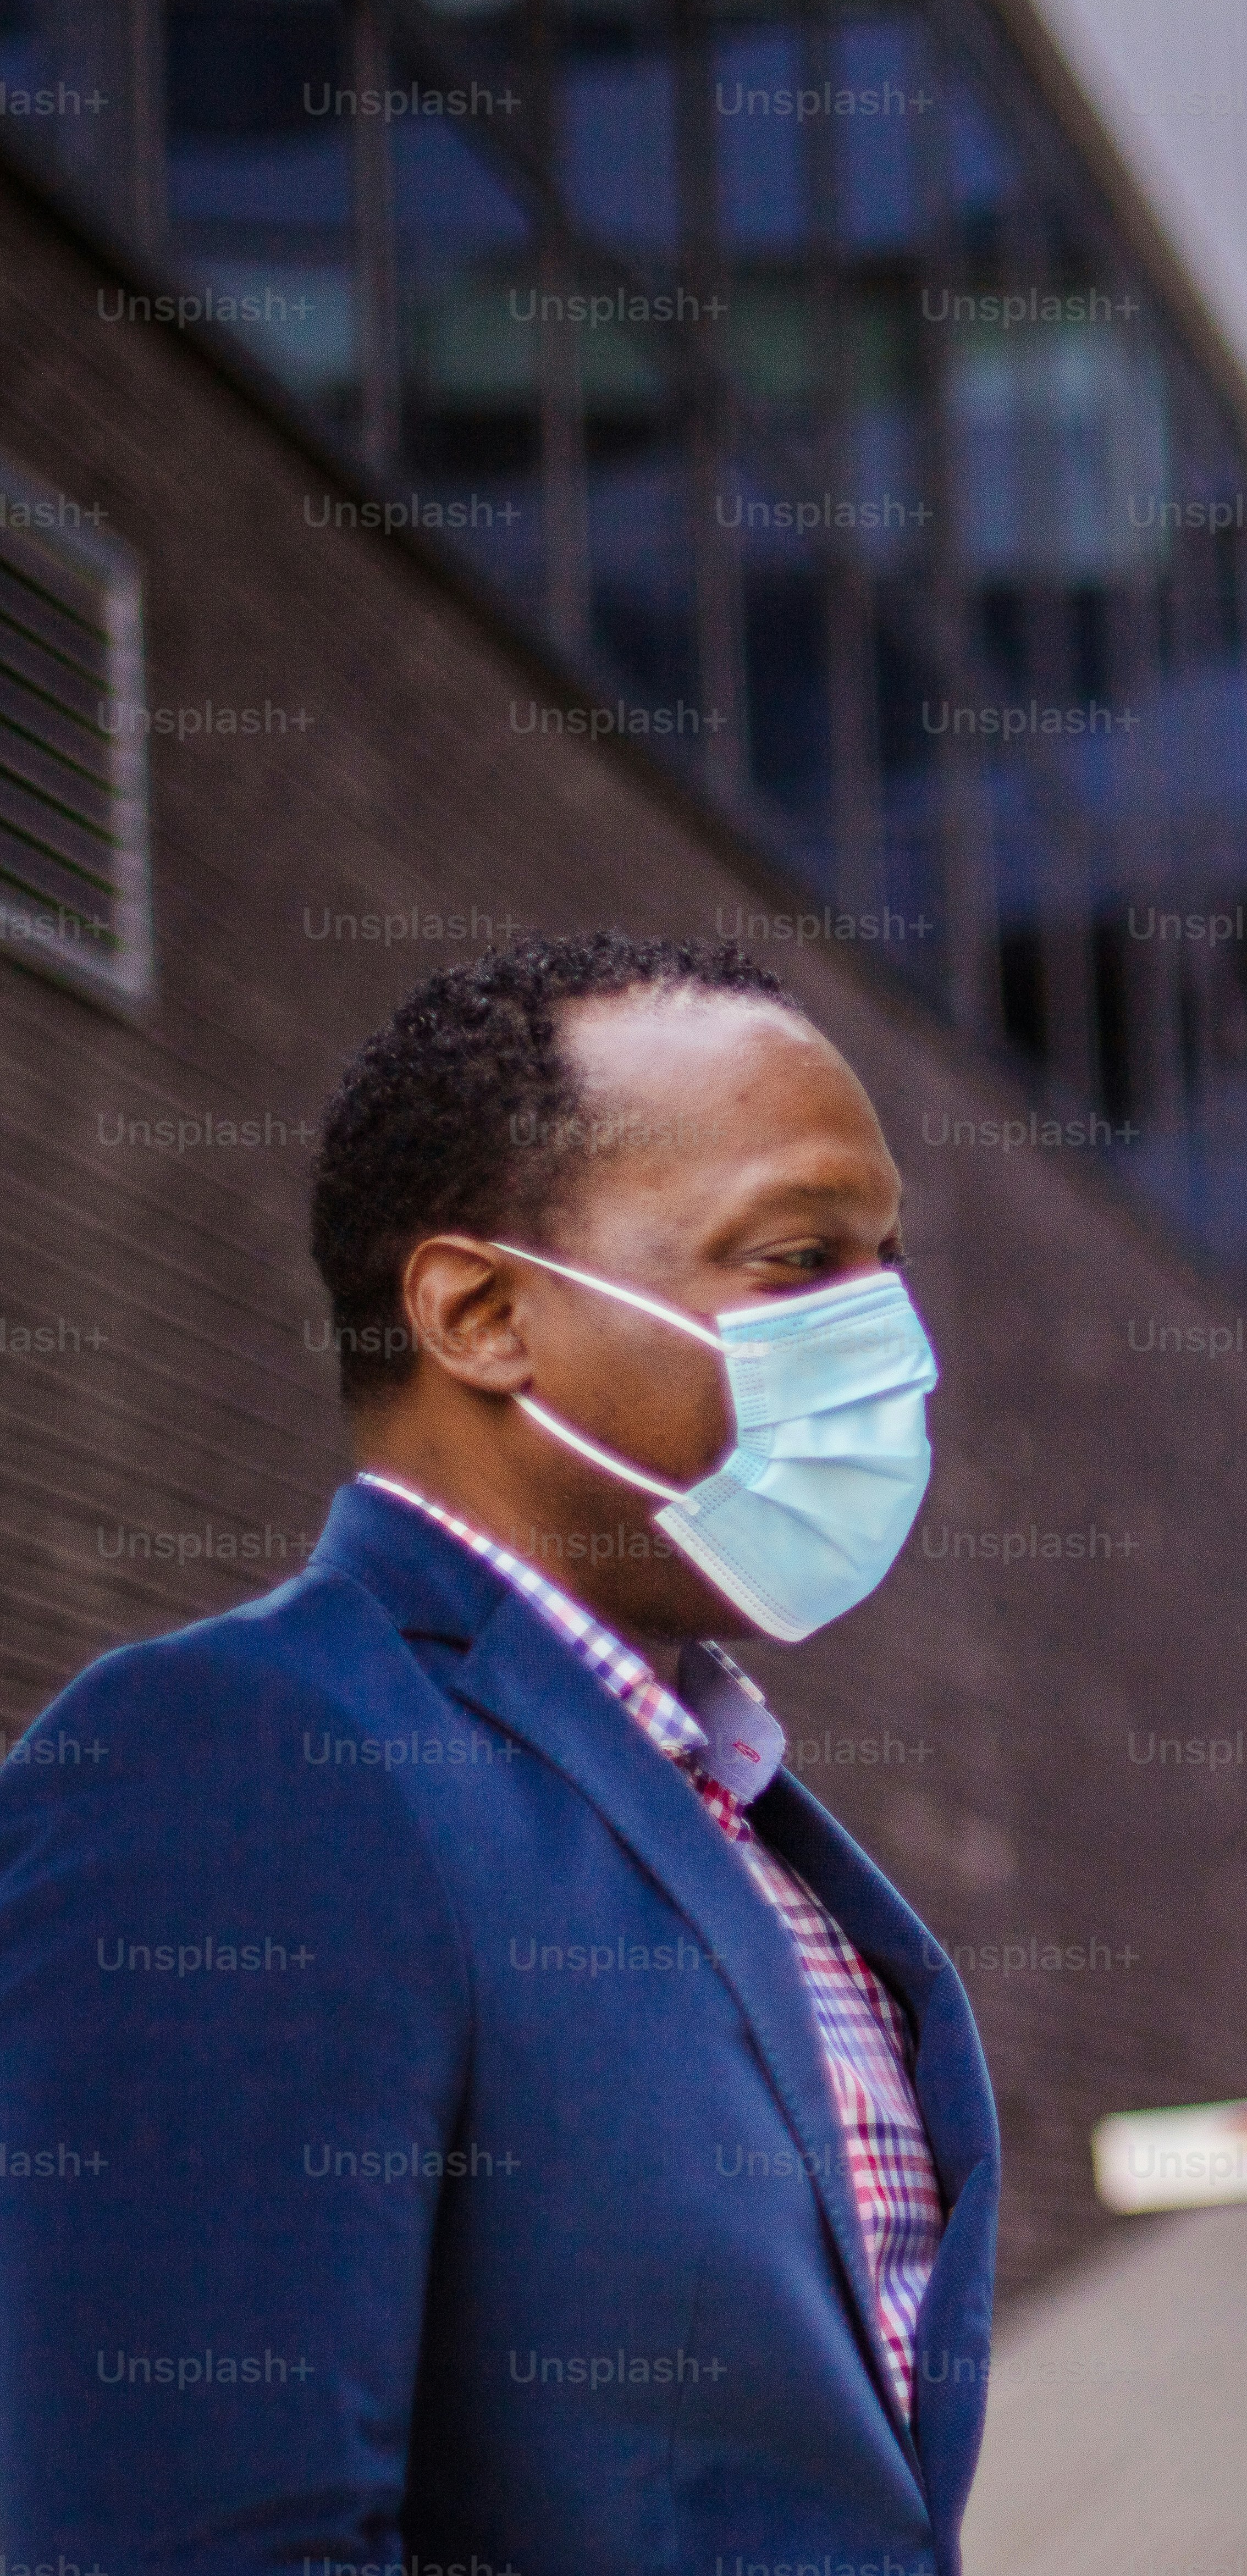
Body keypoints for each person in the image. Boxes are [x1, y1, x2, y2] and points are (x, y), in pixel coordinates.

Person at [0, 933, 997, 2562]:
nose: (893, 1339)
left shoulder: (733, 1815)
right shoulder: (244, 1760)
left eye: (887, 1260)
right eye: (800, 1258)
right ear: (479, 1313)